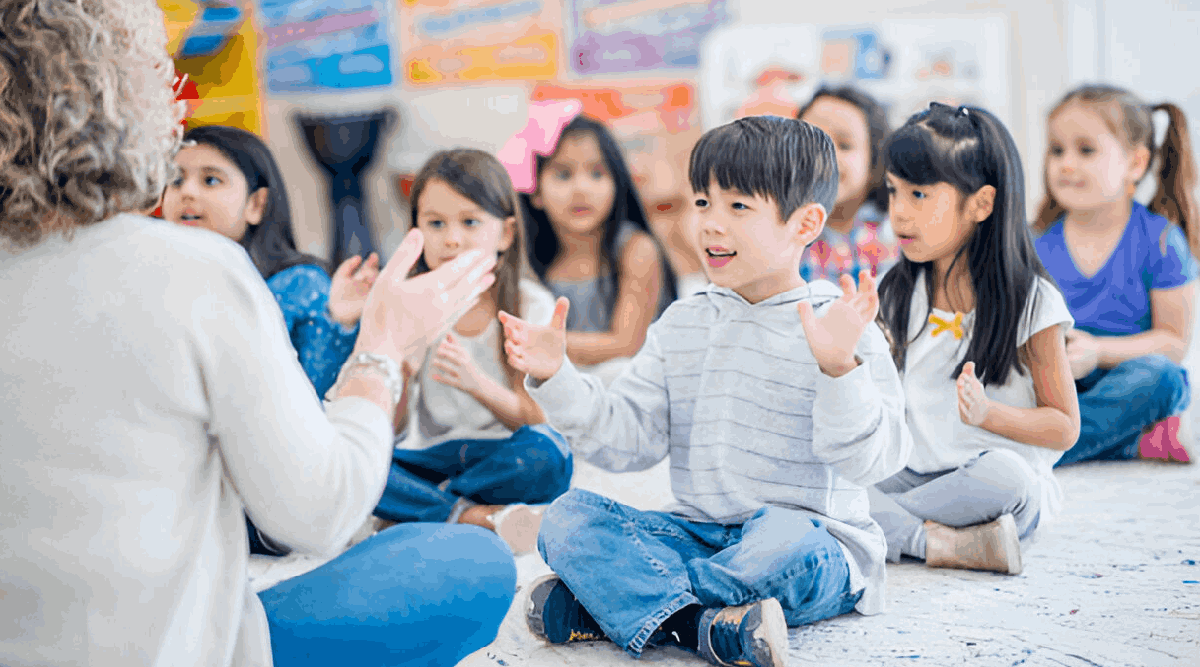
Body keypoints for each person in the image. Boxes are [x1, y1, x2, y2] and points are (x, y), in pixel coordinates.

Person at [0, 2, 512, 665]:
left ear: (257, 203)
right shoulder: (196, 270)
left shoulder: (260, 274)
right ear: (127, 96)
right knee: (473, 562)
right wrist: (383, 343)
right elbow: (317, 510)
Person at [499, 116, 912, 667]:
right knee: (567, 519)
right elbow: (628, 442)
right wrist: (557, 377)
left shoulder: (836, 325)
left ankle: (618, 607)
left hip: (812, 541)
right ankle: (702, 627)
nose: (711, 225)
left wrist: (840, 368)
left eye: (738, 207)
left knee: (784, 542)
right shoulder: (682, 324)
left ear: (804, 223)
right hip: (699, 534)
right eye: (701, 203)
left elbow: (871, 464)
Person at [869, 102, 1080, 577]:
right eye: (893, 192)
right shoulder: (897, 290)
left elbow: (1064, 427)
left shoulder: (1032, 302)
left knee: (1008, 479)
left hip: (991, 480)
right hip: (911, 471)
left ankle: (880, 530)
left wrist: (989, 415)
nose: (899, 213)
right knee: (825, 475)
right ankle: (939, 543)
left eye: (919, 195)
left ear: (981, 204)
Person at [374, 149, 573, 555]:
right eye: (435, 223)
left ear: (505, 234)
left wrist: (476, 383)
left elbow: (536, 420)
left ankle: (425, 507)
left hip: (502, 454)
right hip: (434, 456)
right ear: (415, 233)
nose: (451, 238)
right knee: (365, 464)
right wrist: (405, 368)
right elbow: (388, 430)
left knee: (552, 455)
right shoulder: (410, 303)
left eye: (470, 222)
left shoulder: (528, 304)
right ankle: (473, 516)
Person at [1032, 84, 1196, 465]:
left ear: (1135, 164)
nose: (1066, 163)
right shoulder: (1034, 243)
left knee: (1162, 377)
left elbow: (1173, 344)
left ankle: (1044, 449)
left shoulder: (1161, 242)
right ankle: (1128, 442)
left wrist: (1098, 352)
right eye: (1057, 150)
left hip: (1125, 375)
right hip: (1056, 376)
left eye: (1085, 150)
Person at [162, 124, 379, 401]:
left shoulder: (299, 284)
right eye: (175, 180)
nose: (187, 192)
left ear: (256, 204)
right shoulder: (160, 284)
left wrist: (341, 323)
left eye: (211, 180)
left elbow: (313, 397)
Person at [503, 103, 677, 385]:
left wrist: (536, 343)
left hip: (628, 392)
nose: (581, 189)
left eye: (597, 174)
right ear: (536, 194)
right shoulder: (531, 259)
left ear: (616, 184)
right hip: (559, 393)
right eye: (563, 174)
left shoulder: (636, 249)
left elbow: (626, 344)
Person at [797, 85, 900, 284]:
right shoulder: (778, 232)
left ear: (875, 165)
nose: (823, 154)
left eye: (844, 145)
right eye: (810, 140)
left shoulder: (895, 236)